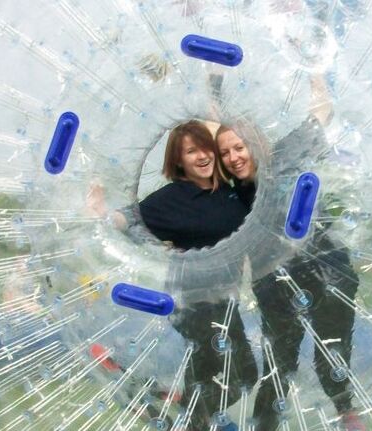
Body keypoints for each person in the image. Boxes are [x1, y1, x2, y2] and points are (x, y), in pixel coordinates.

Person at [90, 120, 257, 431]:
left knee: (244, 375)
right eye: (191, 151)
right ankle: (184, 414)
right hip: (193, 299)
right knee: (215, 377)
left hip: (224, 299)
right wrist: (103, 213)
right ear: (179, 161)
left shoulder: (230, 192)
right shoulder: (173, 198)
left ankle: (162, 397)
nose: (202, 156)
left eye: (205, 148)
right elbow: (129, 219)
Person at [215, 86, 364, 431]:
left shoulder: (287, 154)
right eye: (226, 153)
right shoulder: (230, 197)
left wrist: (314, 64)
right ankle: (265, 425)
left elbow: (322, 111)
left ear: (256, 143)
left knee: (334, 349)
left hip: (328, 272)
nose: (234, 157)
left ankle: (347, 413)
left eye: (239, 147)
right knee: (277, 364)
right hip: (275, 287)